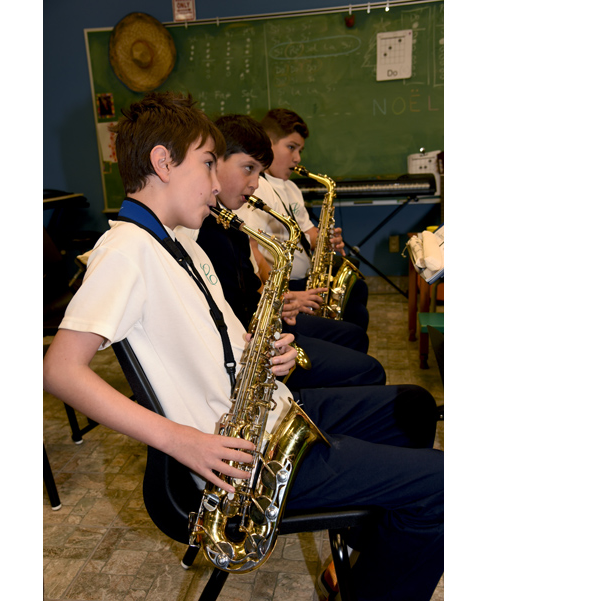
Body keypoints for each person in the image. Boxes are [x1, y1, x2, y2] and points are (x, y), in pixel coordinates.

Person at [42, 92, 443, 601]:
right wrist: (180, 440)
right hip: (245, 465)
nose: (216, 183)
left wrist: (264, 348)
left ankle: (372, 557)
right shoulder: (125, 251)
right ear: (162, 162)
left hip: (271, 419)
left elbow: (222, 335)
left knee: (412, 408)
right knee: (443, 484)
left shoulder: (180, 240)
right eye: (208, 164)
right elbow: (59, 370)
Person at [191, 113, 384, 389]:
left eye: (259, 172)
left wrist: (280, 301)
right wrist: (280, 302)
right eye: (248, 168)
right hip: (254, 347)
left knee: (355, 337)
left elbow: (244, 290)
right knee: (365, 364)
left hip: (265, 325)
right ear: (213, 162)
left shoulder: (228, 221)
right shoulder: (209, 229)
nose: (256, 183)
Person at [234, 108, 371, 330]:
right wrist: (287, 295)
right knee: (353, 321)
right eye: (291, 147)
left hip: (307, 274)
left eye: (300, 150)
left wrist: (324, 239)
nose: (297, 158)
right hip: (286, 282)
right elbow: (253, 253)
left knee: (357, 293)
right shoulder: (257, 189)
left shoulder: (292, 187)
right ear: (268, 143)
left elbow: (308, 232)